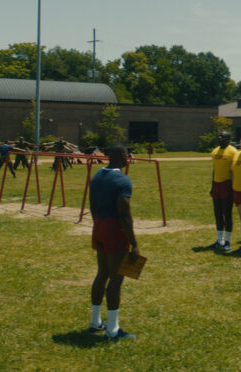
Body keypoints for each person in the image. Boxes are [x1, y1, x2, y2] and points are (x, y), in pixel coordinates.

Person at [88, 144, 138, 340]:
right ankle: (113, 329)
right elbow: (124, 214)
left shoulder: (97, 176)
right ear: (118, 157)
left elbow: (92, 205)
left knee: (102, 273)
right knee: (116, 278)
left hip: (99, 224)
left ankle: (95, 322)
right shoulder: (123, 180)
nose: (128, 158)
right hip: (114, 228)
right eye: (125, 155)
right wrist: (134, 243)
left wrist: (98, 224)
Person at [209, 132, 237, 251]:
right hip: (217, 185)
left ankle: (227, 241)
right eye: (219, 136)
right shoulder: (215, 151)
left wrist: (234, 188)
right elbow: (215, 169)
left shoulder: (233, 152)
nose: (220, 139)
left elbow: (234, 171)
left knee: (227, 213)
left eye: (223, 137)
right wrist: (212, 186)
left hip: (227, 184)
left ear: (229, 139)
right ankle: (219, 239)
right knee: (217, 213)